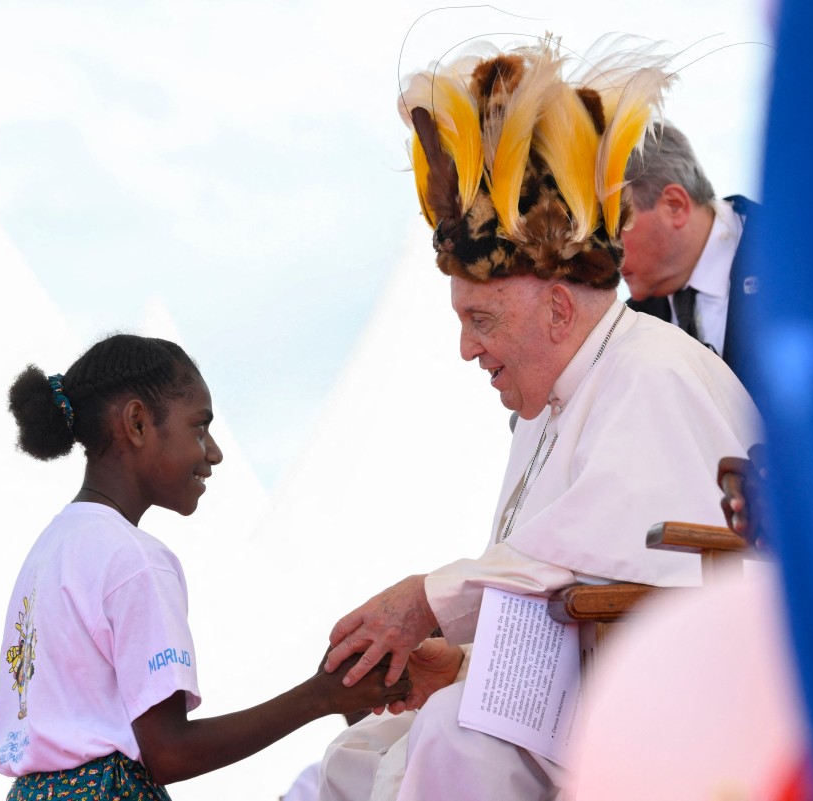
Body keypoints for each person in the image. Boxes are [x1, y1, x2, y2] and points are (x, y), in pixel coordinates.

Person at [316, 38, 763, 801]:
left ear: (559, 307)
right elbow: (568, 585)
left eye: (482, 319)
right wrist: (463, 659)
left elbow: (634, 571)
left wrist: (433, 599)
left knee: (458, 735)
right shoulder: (546, 408)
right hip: (601, 701)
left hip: (698, 718)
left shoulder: (652, 373)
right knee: (353, 755)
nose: (467, 349)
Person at [0, 333, 410, 800]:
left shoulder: (50, 549)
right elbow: (170, 753)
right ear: (138, 423)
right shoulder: (135, 559)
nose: (213, 452)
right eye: (199, 428)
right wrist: (322, 696)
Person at [621, 124, 761, 391]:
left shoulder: (798, 260)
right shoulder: (625, 324)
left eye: (616, 226)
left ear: (675, 205)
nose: (605, 248)